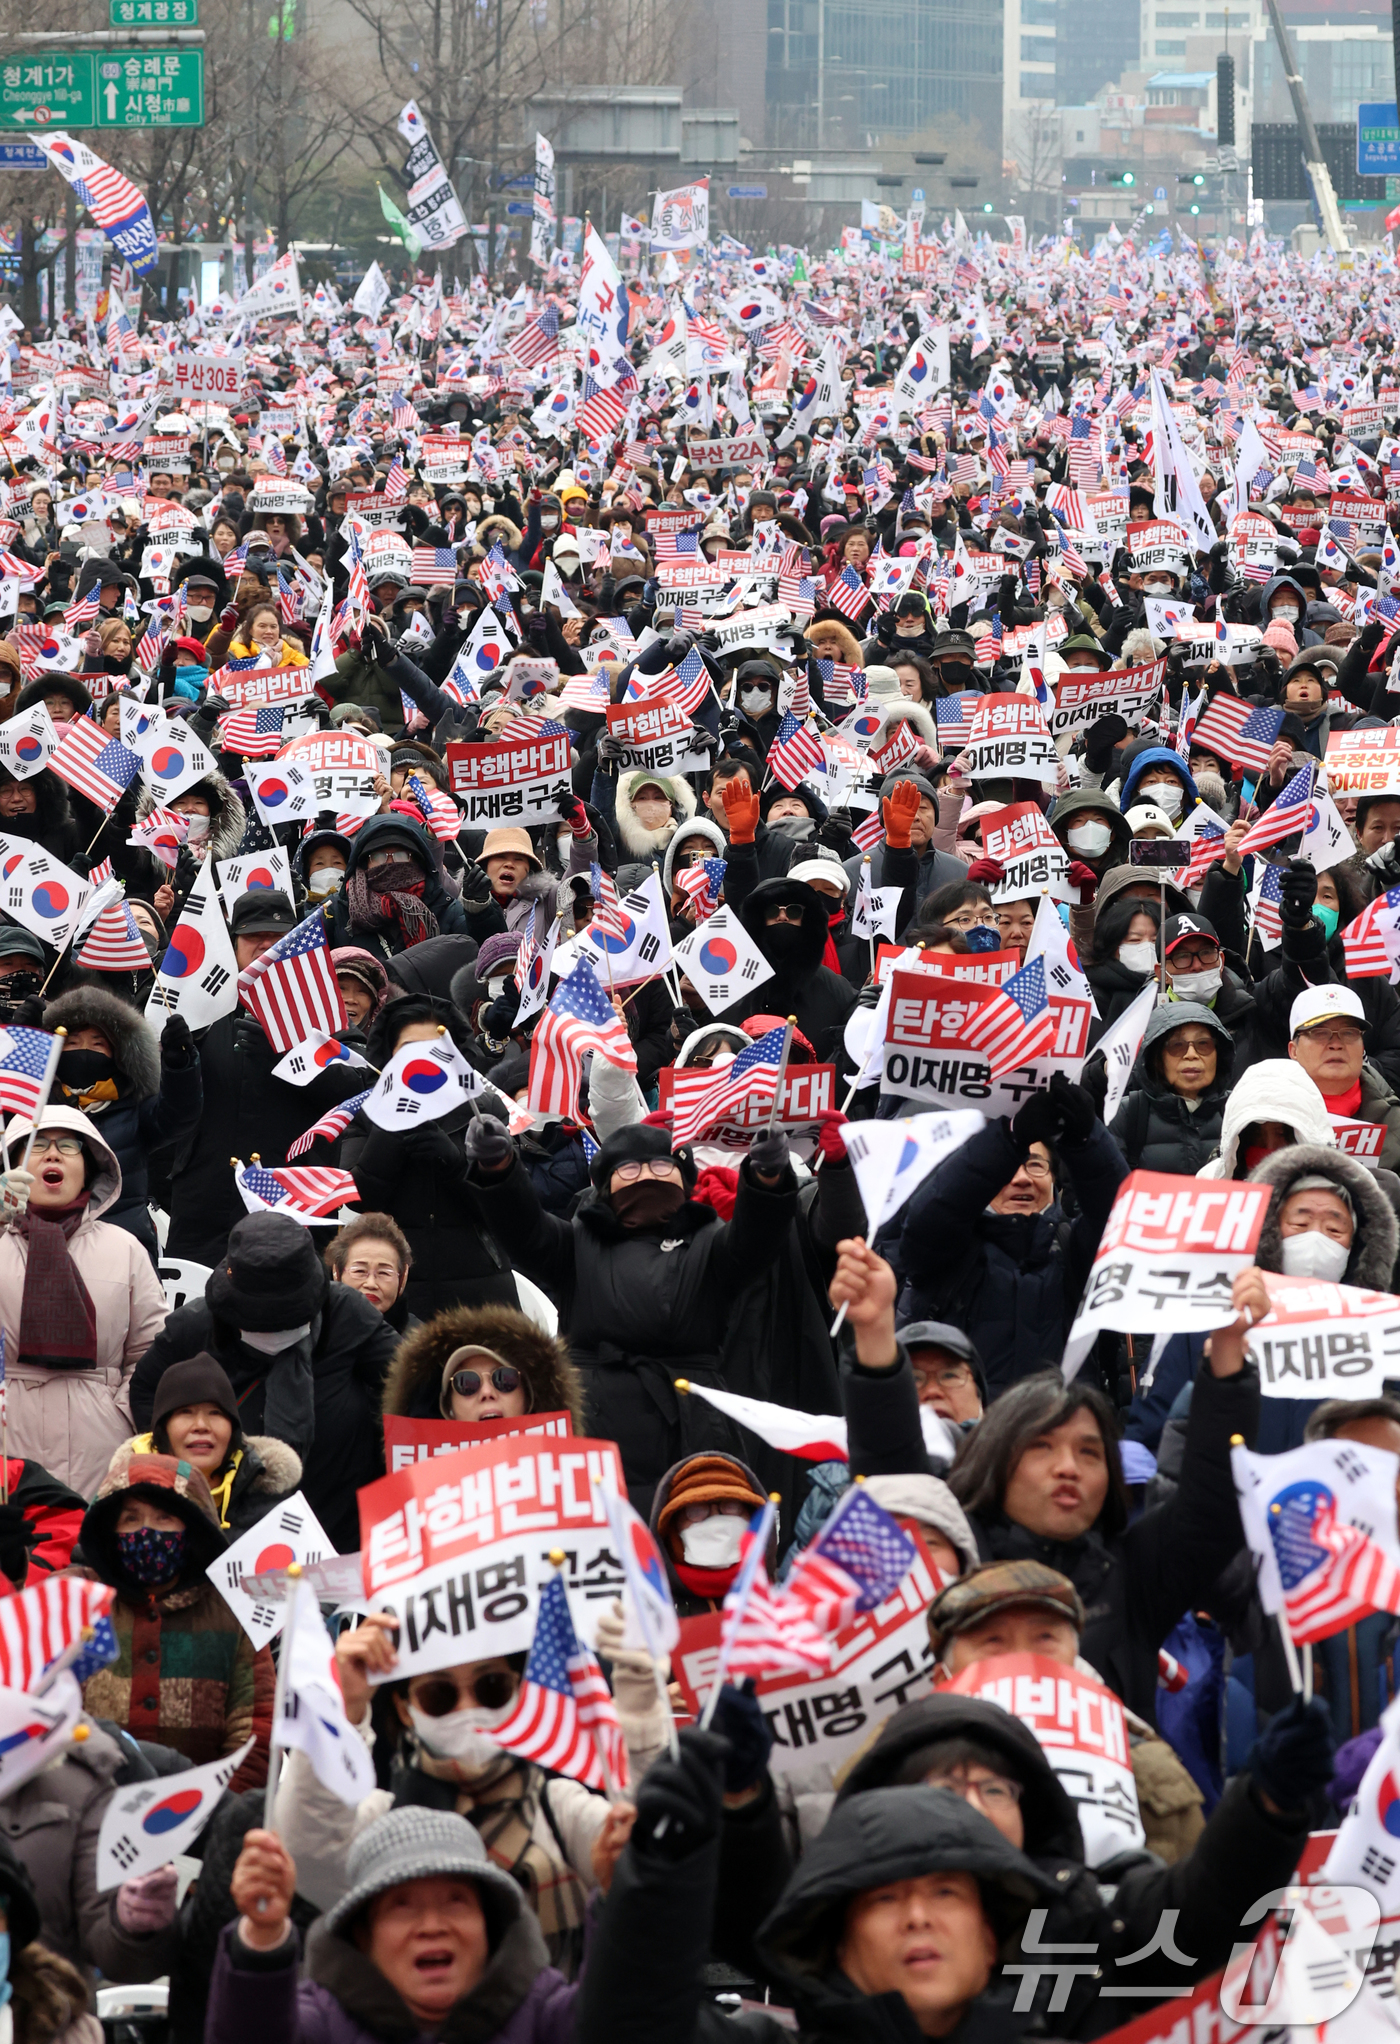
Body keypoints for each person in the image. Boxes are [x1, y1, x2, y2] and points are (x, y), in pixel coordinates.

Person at [828, 1234, 1261, 1722]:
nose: (1068, 1467)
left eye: (1090, 1452)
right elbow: (896, 1475)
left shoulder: (1134, 1576)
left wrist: (1227, 1352)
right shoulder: (950, 1554)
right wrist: (874, 1333)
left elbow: (1211, 1506)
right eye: (1042, 1446)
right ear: (997, 1457)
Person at [459, 1118, 799, 1518]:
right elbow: (524, 1230)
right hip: (592, 1423)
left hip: (691, 1425)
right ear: (608, 1186)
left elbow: (756, 1239)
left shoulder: (710, 1242)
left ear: (682, 1176)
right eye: (630, 1170)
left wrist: (766, 1178)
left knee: (697, 1552)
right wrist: (500, 1167)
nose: (646, 1179)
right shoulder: (577, 1241)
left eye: (660, 1167)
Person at [129, 1210, 397, 1552]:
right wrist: (184, 1466)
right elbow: (147, 1393)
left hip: (339, 1521)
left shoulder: (347, 1314)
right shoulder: (194, 1328)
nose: (271, 1334)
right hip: (224, 1534)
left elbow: (410, 1380)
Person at [212, 1810, 582, 2044]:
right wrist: (264, 1937)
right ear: (363, 1935)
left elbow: (619, 2016)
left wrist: (630, 1889)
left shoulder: (546, 2013)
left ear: (490, 1923)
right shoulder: (321, 2022)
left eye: (456, 1901)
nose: (432, 1926)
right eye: (402, 1906)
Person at [894, 1075, 1128, 1400]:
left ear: (1055, 1182)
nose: (1021, 1179)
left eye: (1035, 1165)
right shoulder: (948, 1249)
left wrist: (1088, 1139)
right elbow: (932, 1217)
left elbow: (1119, 1219)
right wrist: (1010, 1138)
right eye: (1009, 1167)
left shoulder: (1073, 1247)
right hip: (966, 1442)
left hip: (1059, 1437)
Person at [71, 1450, 271, 1789]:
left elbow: (256, 1728)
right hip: (86, 1812)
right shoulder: (73, 1598)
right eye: (131, 1519)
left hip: (203, 1815)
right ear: (109, 1529)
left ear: (192, 1528)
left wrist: (216, 1811)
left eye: (164, 1518)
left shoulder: (234, 1608)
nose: (147, 1532)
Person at [0, 1108, 168, 1500]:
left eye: (68, 1146)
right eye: (37, 1145)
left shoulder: (125, 1247)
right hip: (10, 1433)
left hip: (103, 1443)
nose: (52, 1154)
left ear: (90, 1168)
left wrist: (120, 1414)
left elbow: (152, 1350)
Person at [343, 997, 518, 1320]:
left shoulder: (486, 1109)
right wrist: (392, 1127)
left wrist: (454, 1163)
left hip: (480, 1289)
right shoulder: (365, 1113)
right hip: (397, 1290)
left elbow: (508, 1201)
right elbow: (358, 1197)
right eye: (409, 1050)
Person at [41, 990, 202, 1264]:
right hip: (46, 1243)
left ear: (118, 1054)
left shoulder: (136, 1108)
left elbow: (179, 1116)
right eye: (73, 1042)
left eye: (97, 1044)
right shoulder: (37, 1105)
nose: (84, 1051)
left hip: (124, 1247)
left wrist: (179, 1065)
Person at [118, 1352, 302, 1535]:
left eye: (215, 1413)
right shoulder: (121, 1502)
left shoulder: (277, 1513)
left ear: (233, 1430)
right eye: (185, 1412)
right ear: (162, 1430)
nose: (201, 1426)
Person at [381, 1302, 583, 1429]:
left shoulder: (573, 1479)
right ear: (448, 1408)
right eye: (466, 1383)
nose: (487, 1392)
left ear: (529, 1398)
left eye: (504, 1379)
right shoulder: (414, 1489)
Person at [1109, 1004, 1236, 1174]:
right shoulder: (1127, 1113)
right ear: (1157, 1060)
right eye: (1177, 1045)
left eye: (1203, 1044)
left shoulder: (1236, 1108)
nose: (1191, 1054)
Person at [324, 1212, 415, 1333]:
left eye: (384, 1272)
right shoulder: (315, 1336)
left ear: (403, 1277)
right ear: (337, 1273)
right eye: (360, 1271)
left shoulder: (422, 1343)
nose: (371, 1284)